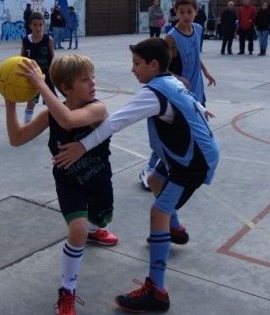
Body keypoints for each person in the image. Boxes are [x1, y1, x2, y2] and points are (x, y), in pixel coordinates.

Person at [48, 37, 219, 313]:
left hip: (192, 162)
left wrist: (82, 146)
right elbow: (186, 94)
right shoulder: (169, 81)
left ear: (153, 65)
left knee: (157, 213)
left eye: (137, 64)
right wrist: (199, 108)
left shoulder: (153, 93)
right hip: (184, 155)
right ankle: (174, 229)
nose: (132, 69)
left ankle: (157, 291)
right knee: (153, 179)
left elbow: (115, 122)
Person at [5, 54, 119, 315]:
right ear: (66, 88)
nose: (93, 83)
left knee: (100, 219)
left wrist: (41, 83)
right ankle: (67, 290)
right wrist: (10, 102)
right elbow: (16, 138)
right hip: (69, 181)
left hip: (98, 177)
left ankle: (95, 229)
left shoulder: (97, 109)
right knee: (76, 229)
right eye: (84, 79)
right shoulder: (49, 115)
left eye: (93, 77)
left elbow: (68, 119)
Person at [141, 0, 216, 246]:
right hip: (179, 97)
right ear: (175, 13)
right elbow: (160, 67)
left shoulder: (198, 29)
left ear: (196, 12)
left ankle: (171, 223)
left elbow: (196, 54)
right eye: (181, 12)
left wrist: (204, 71)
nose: (185, 15)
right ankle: (153, 168)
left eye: (189, 11)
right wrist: (176, 77)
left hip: (197, 95)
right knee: (177, 142)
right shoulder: (171, 38)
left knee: (189, 143)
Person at [21, 12, 56, 123]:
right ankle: (26, 123)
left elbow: (53, 55)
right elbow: (21, 57)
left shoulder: (48, 39)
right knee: (31, 103)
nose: (38, 27)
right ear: (30, 26)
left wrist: (52, 65)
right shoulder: (26, 41)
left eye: (41, 24)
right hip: (33, 76)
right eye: (35, 25)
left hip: (47, 76)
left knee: (52, 102)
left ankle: (55, 123)